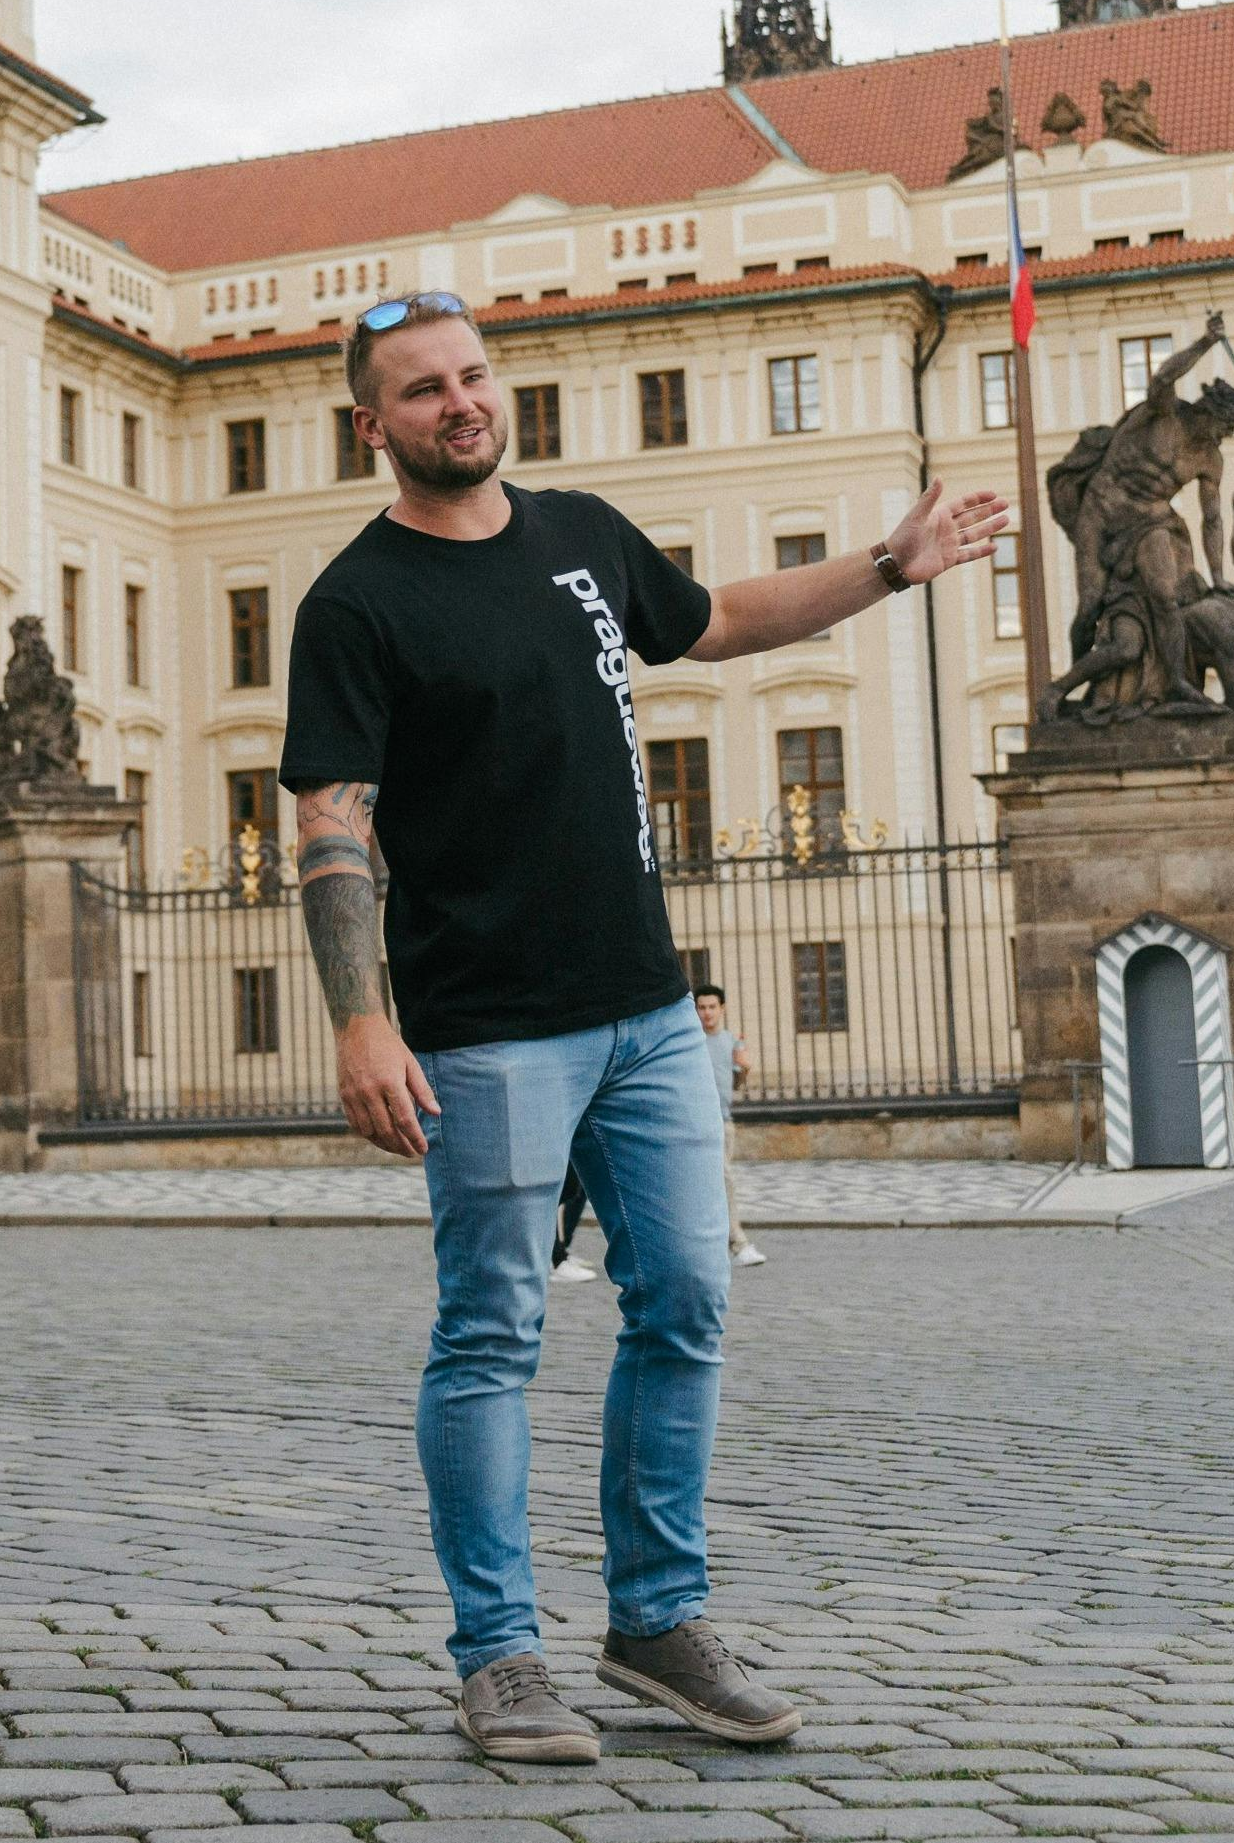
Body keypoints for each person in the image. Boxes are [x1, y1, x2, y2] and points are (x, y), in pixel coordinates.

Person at [284, 292, 1005, 1762]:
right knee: (491, 1332)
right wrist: (361, 1021)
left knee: (685, 1298)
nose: (459, 402)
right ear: (373, 426)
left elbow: (720, 621)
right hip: (486, 1033)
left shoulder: (583, 537)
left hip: (650, 1014)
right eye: (421, 390)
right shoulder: (355, 602)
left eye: (472, 375)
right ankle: (500, 1654)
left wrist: (890, 564)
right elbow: (331, 824)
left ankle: (655, 1621)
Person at [696, 984, 763, 1266]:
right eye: (702, 1007)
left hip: (723, 1121)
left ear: (721, 1009)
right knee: (723, 1180)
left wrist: (745, 1069)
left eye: (712, 1007)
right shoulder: (691, 1042)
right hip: (696, 1123)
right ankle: (738, 1243)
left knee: (718, 1182)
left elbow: (736, 1084)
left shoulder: (731, 1041)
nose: (707, 1013)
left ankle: (712, 1247)